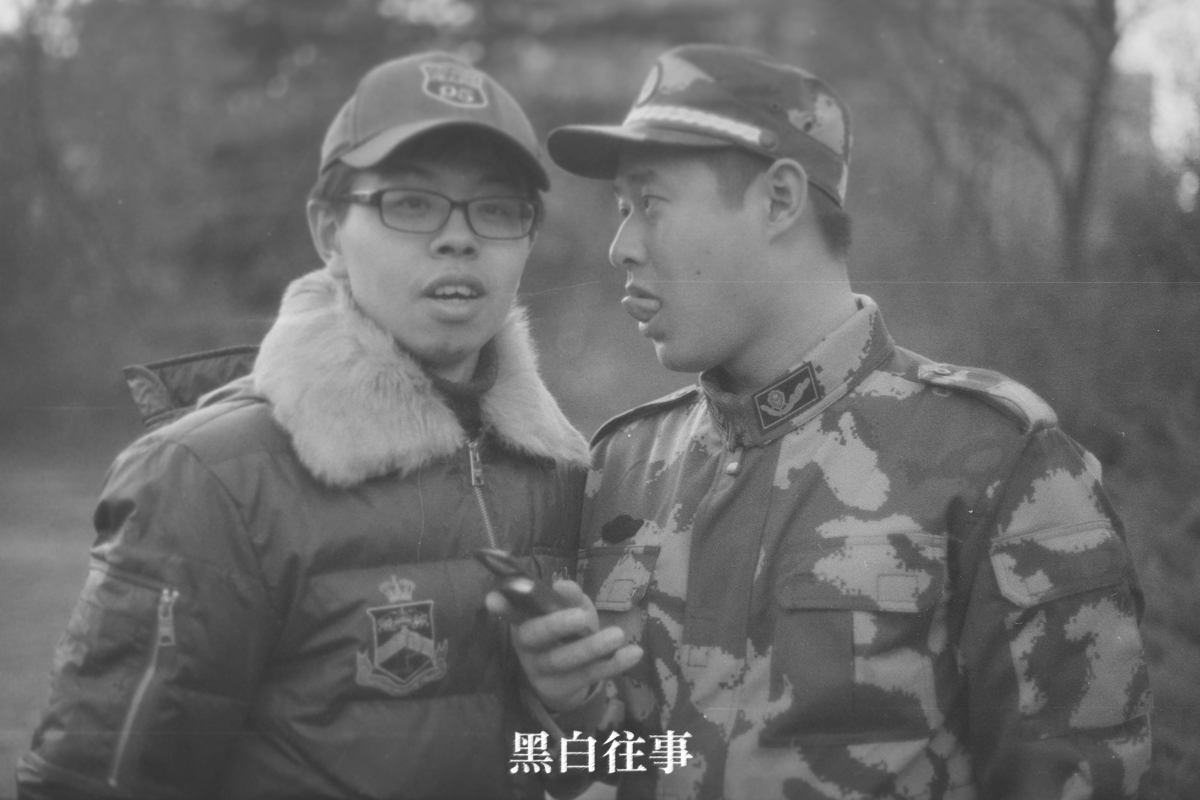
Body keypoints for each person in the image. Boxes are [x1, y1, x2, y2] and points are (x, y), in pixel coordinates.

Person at [509, 44, 1153, 799]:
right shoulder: (621, 465)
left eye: (650, 203)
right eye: (621, 210)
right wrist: (574, 711)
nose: (620, 248)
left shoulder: (998, 459)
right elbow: (590, 772)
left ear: (780, 200)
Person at [16, 51, 632, 800]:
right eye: (412, 203)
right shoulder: (209, 481)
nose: (458, 238)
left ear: (528, 239)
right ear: (328, 230)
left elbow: (607, 772)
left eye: (498, 209)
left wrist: (574, 707)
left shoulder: (563, 472)